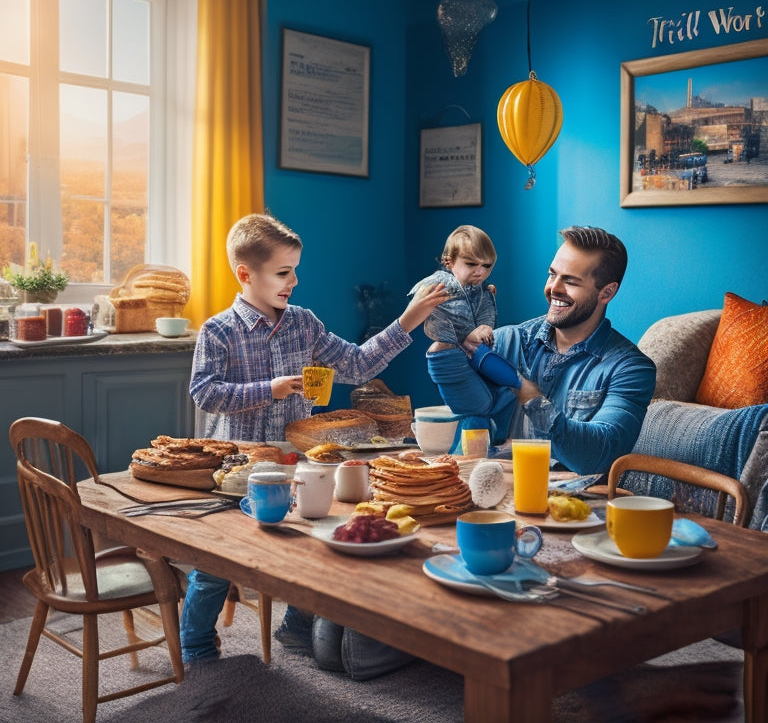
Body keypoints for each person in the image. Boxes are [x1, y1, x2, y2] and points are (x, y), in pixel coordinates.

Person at [181, 212, 449, 672]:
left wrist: (407, 321)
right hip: (240, 469)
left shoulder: (304, 324)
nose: (294, 281)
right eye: (283, 272)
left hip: (298, 464)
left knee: (306, 548)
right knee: (215, 565)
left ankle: (296, 625)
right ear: (246, 274)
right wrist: (273, 388)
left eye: (294, 270)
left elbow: (360, 365)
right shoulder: (217, 330)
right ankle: (197, 648)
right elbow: (204, 393)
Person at [427, 225, 657, 475]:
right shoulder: (506, 342)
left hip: (569, 508)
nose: (553, 288)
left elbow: (598, 454)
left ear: (607, 292)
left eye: (570, 281)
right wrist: (444, 352)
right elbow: (468, 405)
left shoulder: (630, 369)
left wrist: (529, 395)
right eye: (552, 274)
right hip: (486, 500)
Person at [408, 225, 520, 395]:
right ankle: (521, 387)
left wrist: (487, 303)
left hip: (473, 354)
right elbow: (440, 317)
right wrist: (467, 334)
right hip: (450, 353)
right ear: (449, 262)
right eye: (471, 264)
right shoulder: (439, 285)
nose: (480, 271)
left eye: (487, 265)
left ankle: (518, 386)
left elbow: (486, 320)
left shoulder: (482, 290)